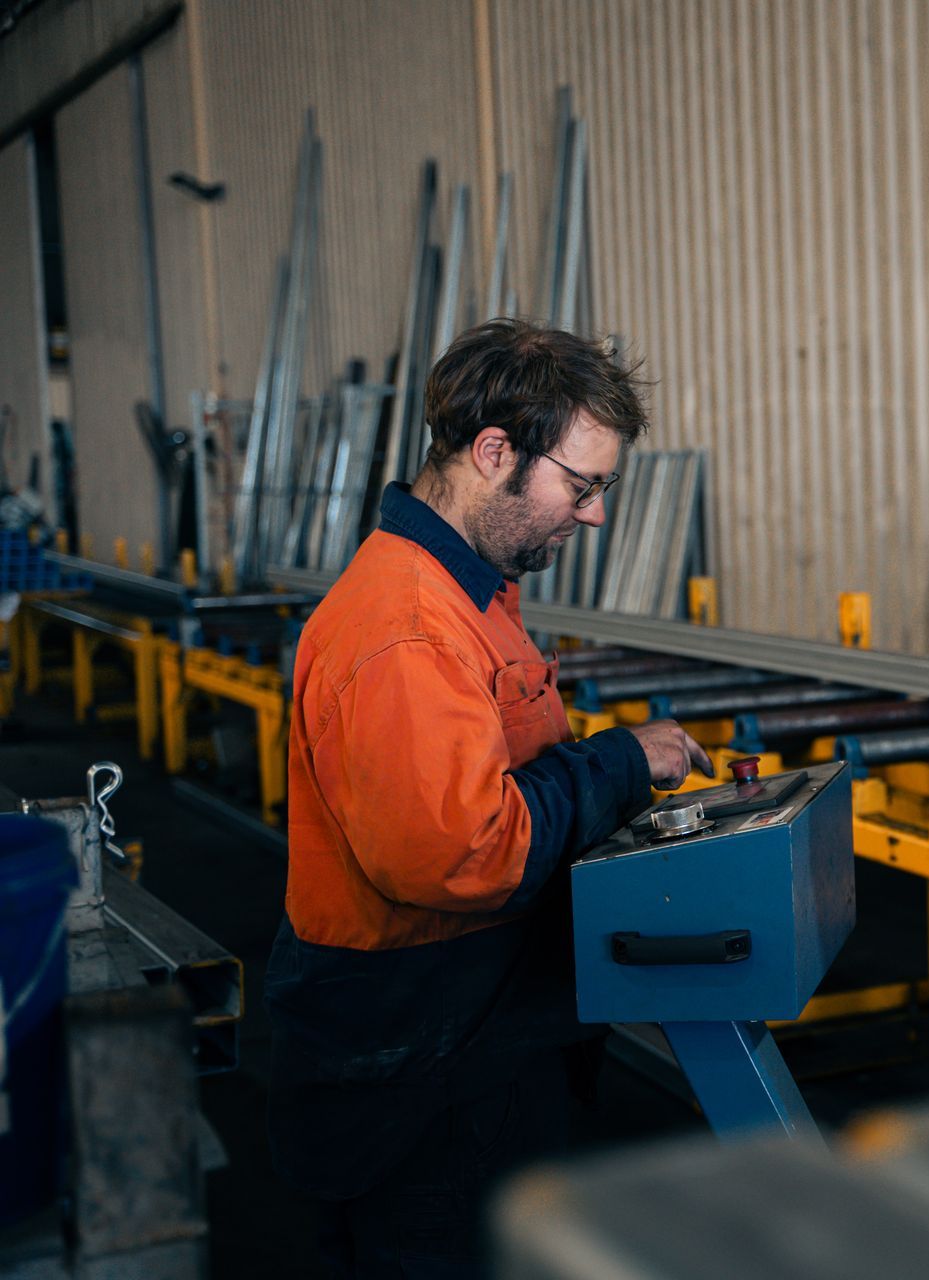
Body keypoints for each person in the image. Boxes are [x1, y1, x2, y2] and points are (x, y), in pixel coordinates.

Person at [266, 319, 711, 1276]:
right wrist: (619, 763)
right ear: (494, 452)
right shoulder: (407, 630)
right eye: (581, 484)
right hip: (420, 1064)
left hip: (474, 1033)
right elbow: (469, 854)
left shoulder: (468, 589)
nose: (593, 515)